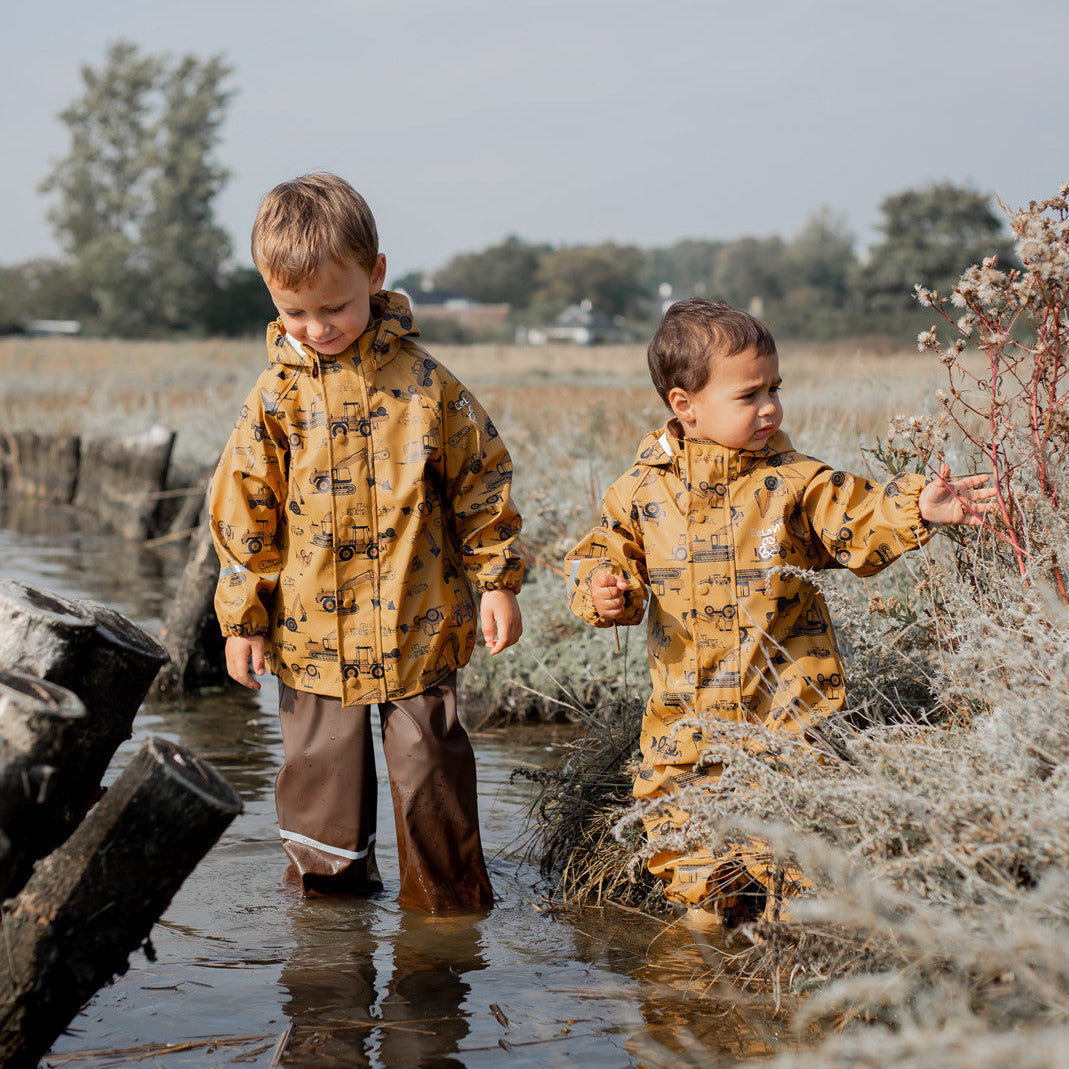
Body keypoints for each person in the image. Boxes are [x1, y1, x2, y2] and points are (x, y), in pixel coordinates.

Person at [564, 298, 994, 927]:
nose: (769, 407)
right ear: (685, 405)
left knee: (792, 886)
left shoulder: (795, 482)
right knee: (700, 898)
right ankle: (693, 1003)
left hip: (788, 729)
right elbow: (600, 557)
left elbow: (858, 521)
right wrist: (604, 593)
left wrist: (913, 509)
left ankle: (786, 1000)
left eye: (775, 388)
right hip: (687, 738)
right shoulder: (638, 492)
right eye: (748, 395)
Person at [209, 174, 524, 912]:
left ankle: (443, 928)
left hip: (418, 631)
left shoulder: (426, 387)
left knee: (432, 784)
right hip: (313, 639)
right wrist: (242, 618)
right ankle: (328, 936)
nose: (316, 328)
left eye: (334, 307)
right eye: (295, 312)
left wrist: (498, 580)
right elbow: (243, 515)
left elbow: (483, 481)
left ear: (375, 275)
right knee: (322, 803)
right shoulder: (274, 399)